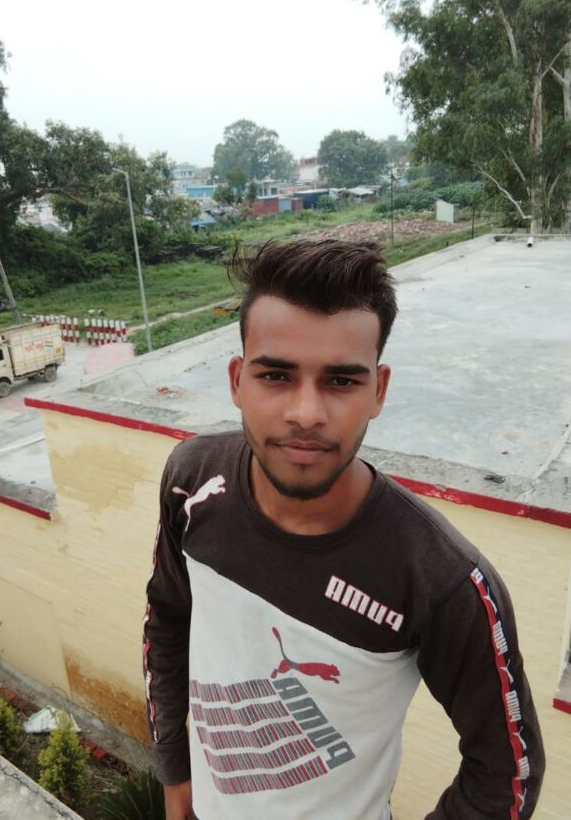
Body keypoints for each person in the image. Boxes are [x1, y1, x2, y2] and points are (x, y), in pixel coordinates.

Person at [143, 239, 544, 820]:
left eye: (340, 381)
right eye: (275, 375)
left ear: (378, 390)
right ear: (236, 381)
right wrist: (175, 771)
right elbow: (167, 617)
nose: (306, 413)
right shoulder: (192, 481)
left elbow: (506, 775)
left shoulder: (441, 578)